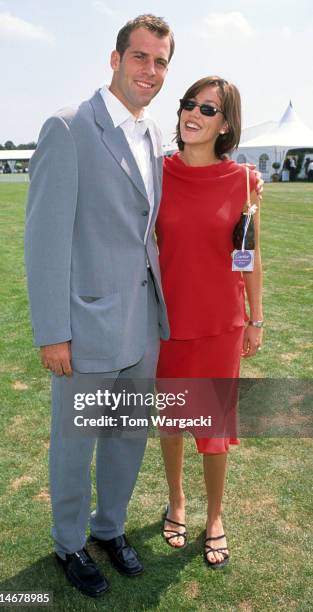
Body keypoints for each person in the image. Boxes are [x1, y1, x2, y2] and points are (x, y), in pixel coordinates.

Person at [25, 14, 174, 598]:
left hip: (142, 324)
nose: (151, 71)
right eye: (141, 57)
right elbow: (45, 240)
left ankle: (109, 529)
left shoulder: (154, 133)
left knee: (127, 436)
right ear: (115, 60)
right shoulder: (69, 126)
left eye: (161, 61)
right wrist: (52, 333)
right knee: (76, 442)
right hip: (85, 325)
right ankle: (68, 543)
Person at [156, 77, 263, 569]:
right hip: (166, 323)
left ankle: (214, 517)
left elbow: (249, 256)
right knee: (174, 421)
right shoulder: (157, 173)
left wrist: (255, 318)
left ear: (225, 124)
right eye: (188, 104)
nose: (192, 113)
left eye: (207, 108)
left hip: (222, 324)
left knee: (214, 427)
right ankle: (177, 503)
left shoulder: (243, 180)